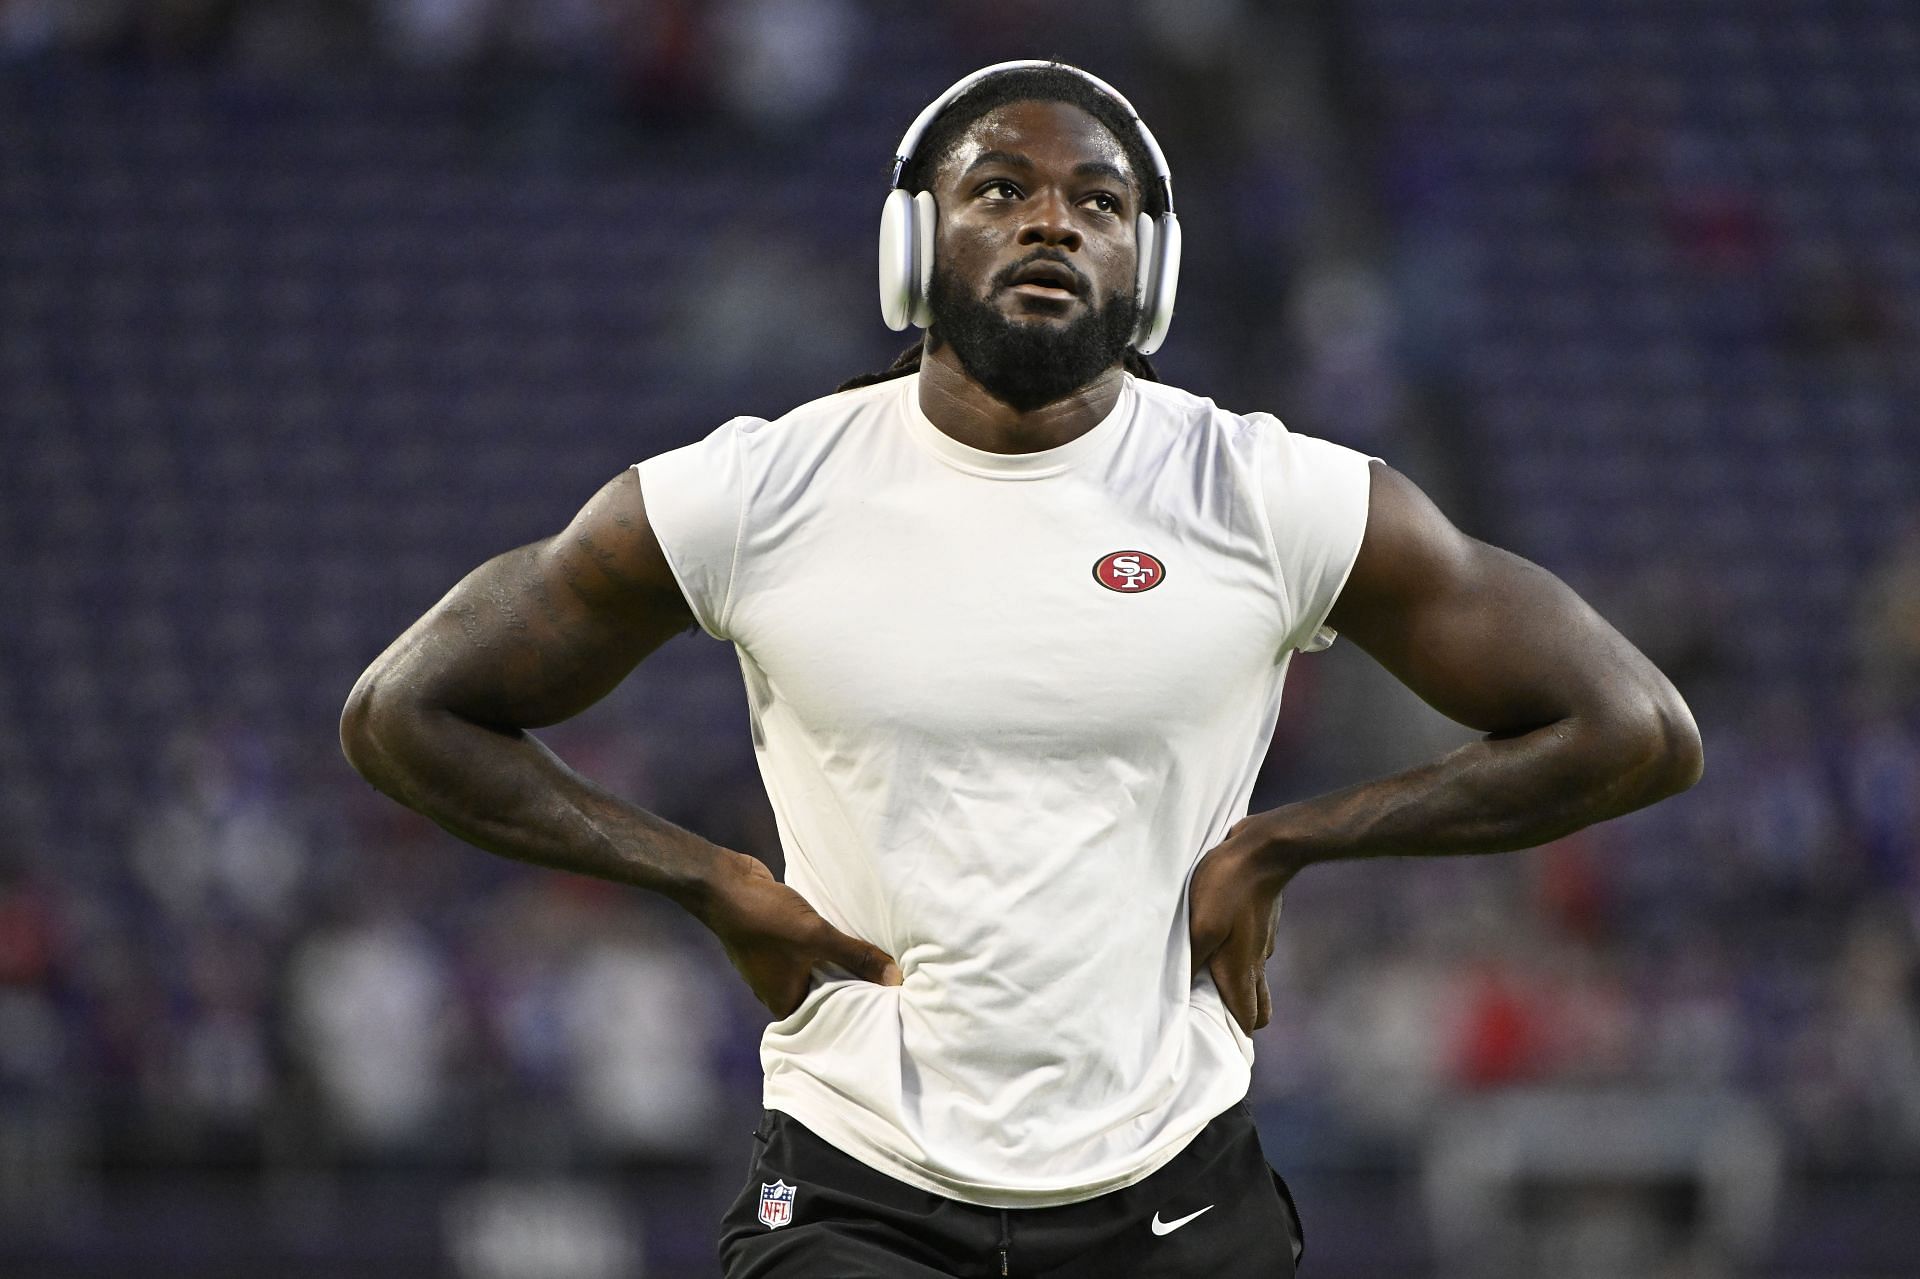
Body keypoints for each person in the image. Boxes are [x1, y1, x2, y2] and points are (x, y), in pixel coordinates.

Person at [340, 60, 1704, 1277]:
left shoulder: (1267, 493)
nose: (1053, 219)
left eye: (1100, 204)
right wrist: (705, 879)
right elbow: (408, 713)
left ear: (1147, 275)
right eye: (998, 188)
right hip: (853, 1194)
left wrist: (1296, 839)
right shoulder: (755, 492)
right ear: (910, 248)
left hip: (1175, 1193)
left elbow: (1636, 726)